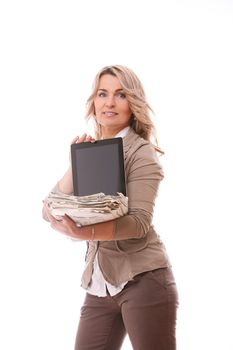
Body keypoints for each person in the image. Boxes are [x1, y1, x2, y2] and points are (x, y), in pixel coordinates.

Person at [43, 65, 179, 350]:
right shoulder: (91, 150)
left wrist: (86, 233)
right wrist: (74, 164)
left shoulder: (142, 153)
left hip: (144, 281)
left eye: (120, 95)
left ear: (133, 104)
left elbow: (139, 223)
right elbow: (49, 208)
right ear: (93, 101)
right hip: (101, 285)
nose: (109, 102)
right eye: (103, 93)